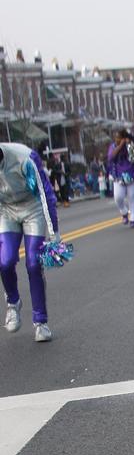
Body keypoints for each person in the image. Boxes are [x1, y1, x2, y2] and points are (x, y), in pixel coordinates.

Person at [0, 142, 59, 341]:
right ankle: (13, 303)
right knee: (5, 260)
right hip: (6, 210)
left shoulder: (25, 158)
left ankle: (41, 322)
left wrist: (54, 232)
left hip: (32, 208)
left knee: (34, 262)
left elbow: (45, 194)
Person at [107, 129, 134, 228]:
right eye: (116, 137)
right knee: (118, 197)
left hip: (130, 174)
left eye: (119, 137)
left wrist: (130, 145)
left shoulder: (129, 146)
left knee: (132, 196)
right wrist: (120, 146)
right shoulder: (113, 146)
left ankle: (133, 218)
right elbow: (110, 157)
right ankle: (124, 212)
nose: (117, 139)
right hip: (118, 176)